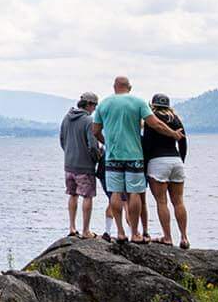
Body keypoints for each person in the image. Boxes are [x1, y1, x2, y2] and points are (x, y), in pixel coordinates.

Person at [94, 75, 151, 242]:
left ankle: (119, 232)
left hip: (112, 157)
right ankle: (134, 233)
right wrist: (172, 134)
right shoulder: (139, 102)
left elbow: (95, 130)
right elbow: (153, 123)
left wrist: (108, 143)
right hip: (134, 155)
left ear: (114, 87)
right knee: (134, 193)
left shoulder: (104, 104)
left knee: (115, 193)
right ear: (130, 87)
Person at [144, 93, 189, 247]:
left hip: (158, 161)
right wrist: (180, 160)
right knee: (178, 201)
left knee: (162, 202)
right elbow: (183, 143)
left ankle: (167, 237)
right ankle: (184, 237)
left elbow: (148, 144)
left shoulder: (152, 119)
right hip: (176, 161)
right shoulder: (176, 119)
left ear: (153, 105)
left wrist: (145, 164)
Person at [58, 92, 101, 238]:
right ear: (89, 105)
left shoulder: (66, 118)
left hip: (69, 165)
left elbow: (62, 140)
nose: (95, 109)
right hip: (84, 166)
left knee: (72, 195)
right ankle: (85, 231)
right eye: (94, 106)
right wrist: (96, 157)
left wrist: (69, 154)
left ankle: (71, 227)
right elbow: (93, 144)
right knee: (87, 196)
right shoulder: (88, 120)